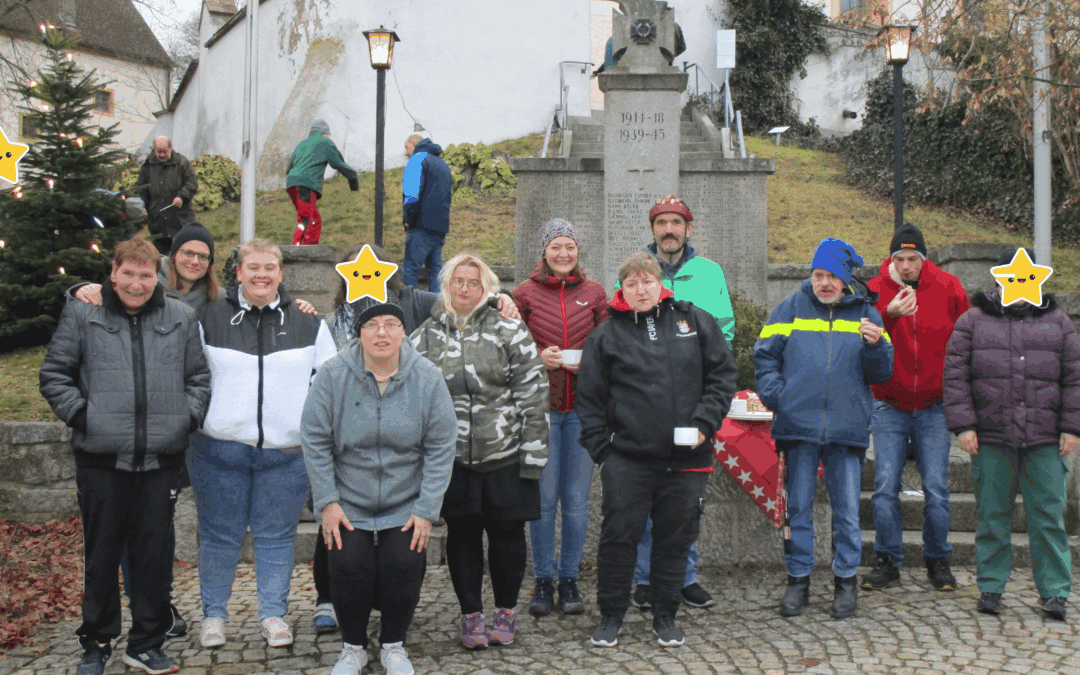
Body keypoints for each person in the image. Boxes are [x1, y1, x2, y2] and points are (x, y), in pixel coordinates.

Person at [310, 243, 518, 634]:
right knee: (338, 540)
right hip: (347, 437)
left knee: (398, 553)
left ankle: (390, 624)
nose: (367, 277)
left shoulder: (413, 302)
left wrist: (501, 297)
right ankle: (331, 602)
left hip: (400, 439)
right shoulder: (334, 318)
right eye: (358, 271)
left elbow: (458, 297)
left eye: (374, 270)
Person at [39, 238, 211, 675]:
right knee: (101, 554)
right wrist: (85, 418)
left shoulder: (181, 316)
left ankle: (146, 643)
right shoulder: (83, 312)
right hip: (101, 459)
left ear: (158, 276)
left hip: (160, 459)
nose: (136, 284)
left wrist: (182, 419)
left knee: (152, 555)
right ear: (113, 273)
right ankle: (96, 640)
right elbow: (55, 374)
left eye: (146, 274)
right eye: (128, 274)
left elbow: (199, 378)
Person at [577, 252, 736, 648]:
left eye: (647, 281)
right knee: (618, 540)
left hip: (686, 460)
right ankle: (611, 615)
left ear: (660, 284)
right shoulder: (605, 336)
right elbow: (590, 400)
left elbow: (722, 376)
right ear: (622, 291)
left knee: (674, 539)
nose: (641, 289)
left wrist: (704, 425)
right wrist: (604, 452)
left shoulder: (694, 320)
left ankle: (666, 615)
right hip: (628, 460)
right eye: (631, 284)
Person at [190, 238, 337, 649]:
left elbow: (326, 384)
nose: (261, 275)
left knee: (277, 537)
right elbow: (192, 374)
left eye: (269, 267)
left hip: (285, 455)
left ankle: (273, 613)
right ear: (237, 272)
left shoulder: (310, 322)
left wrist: (305, 428)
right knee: (219, 537)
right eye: (252, 267)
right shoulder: (208, 317)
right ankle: (214, 616)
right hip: (218, 450)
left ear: (281, 273)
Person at [301, 296, 457, 675]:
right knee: (348, 561)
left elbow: (441, 445)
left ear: (404, 331)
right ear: (359, 332)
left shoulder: (427, 377)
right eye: (372, 325)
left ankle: (393, 644)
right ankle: (353, 646)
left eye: (391, 324)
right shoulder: (333, 375)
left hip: (405, 499)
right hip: (348, 497)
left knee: (402, 561)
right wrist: (327, 501)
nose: (382, 332)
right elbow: (315, 439)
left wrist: (426, 509)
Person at [411, 253, 549, 650]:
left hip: (505, 454)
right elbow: (413, 393)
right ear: (447, 286)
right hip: (452, 459)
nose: (465, 288)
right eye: (458, 281)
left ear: (487, 287)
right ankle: (470, 613)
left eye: (474, 282)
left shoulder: (510, 331)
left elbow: (533, 393)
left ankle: (505, 610)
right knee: (463, 535)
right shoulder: (425, 336)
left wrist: (533, 455)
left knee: (507, 534)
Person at [754, 238, 893, 620]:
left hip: (847, 429)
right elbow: (764, 355)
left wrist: (875, 346)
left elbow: (882, 372)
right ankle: (798, 581)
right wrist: (778, 396)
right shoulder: (790, 307)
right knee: (797, 509)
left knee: (847, 511)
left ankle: (845, 582)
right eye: (818, 275)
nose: (824, 283)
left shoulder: (868, 314)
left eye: (832, 275)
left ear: (845, 279)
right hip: (798, 427)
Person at [943, 247, 1079, 620]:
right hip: (991, 437)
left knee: (1049, 517)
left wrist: (1072, 427)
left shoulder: (1060, 323)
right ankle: (990, 586)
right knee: (992, 516)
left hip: (1046, 439)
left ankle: (1054, 591)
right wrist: (964, 425)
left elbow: (1075, 378)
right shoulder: (972, 322)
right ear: (1000, 277)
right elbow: (956, 376)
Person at [632, 196, 735, 611]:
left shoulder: (709, 273)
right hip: (646, 403)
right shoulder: (638, 271)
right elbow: (619, 327)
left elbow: (724, 333)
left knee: (686, 499)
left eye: (676, 222)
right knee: (643, 497)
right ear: (653, 228)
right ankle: (643, 578)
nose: (669, 229)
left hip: (692, 404)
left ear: (688, 228)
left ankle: (684, 576)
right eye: (662, 223)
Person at [863, 223, 969, 592]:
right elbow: (863, 339)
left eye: (912, 258)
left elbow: (965, 340)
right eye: (899, 258)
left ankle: (938, 559)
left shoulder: (948, 287)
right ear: (890, 259)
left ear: (923, 259)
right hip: (889, 402)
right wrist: (889, 313)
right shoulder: (875, 290)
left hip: (934, 404)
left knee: (937, 487)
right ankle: (887, 559)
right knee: (884, 486)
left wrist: (958, 394)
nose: (905, 265)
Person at [512, 219, 608, 617]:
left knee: (576, 500)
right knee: (544, 500)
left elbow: (612, 347)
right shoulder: (524, 294)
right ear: (544, 251)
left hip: (584, 412)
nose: (563, 254)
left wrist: (590, 362)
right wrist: (538, 357)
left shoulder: (595, 293)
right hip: (542, 412)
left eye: (569, 246)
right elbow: (509, 349)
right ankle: (543, 579)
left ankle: (569, 579)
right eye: (556, 247)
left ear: (577, 249)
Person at [285, 119, 360, 245]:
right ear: (325, 133)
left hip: (292, 184)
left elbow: (289, 168)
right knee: (312, 220)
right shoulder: (325, 143)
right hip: (306, 184)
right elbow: (338, 163)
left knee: (303, 218)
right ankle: (306, 250)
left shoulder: (302, 144)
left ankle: (297, 245)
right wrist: (353, 179)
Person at [402, 134, 451, 292]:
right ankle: (437, 312)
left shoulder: (417, 160)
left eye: (406, 147)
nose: (405, 152)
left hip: (420, 226)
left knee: (410, 269)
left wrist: (408, 219)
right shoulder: (442, 164)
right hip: (439, 227)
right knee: (435, 272)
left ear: (414, 143)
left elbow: (412, 194)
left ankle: (407, 311)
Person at [138, 136, 198, 255]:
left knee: (183, 254)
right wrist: (141, 206)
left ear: (171, 148)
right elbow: (141, 189)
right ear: (154, 150)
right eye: (158, 151)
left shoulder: (182, 163)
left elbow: (192, 184)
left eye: (164, 151)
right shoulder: (147, 166)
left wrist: (181, 197)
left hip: (181, 220)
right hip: (158, 221)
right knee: (162, 258)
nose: (161, 155)